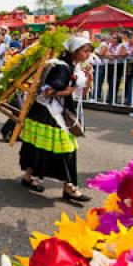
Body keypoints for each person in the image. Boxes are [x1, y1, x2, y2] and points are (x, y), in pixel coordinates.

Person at [18, 36, 94, 202]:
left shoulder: (76, 67)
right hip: (48, 112)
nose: (88, 54)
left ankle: (28, 177)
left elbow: (79, 91)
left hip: (50, 112)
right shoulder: (61, 67)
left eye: (90, 51)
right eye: (85, 51)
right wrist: (63, 92)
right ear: (74, 51)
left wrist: (89, 81)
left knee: (37, 146)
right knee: (66, 150)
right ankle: (70, 188)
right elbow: (46, 90)